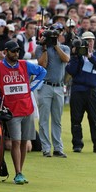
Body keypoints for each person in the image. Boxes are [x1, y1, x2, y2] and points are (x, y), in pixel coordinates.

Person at [0, 40, 46, 185]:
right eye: (13, 51)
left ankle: (20, 171)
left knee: (25, 142)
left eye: (18, 51)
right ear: (6, 51)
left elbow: (42, 72)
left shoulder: (24, 64)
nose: (16, 53)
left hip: (27, 108)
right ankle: (18, 173)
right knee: (16, 141)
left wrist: (31, 88)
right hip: (10, 110)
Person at [65, 31, 96, 154]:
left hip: (92, 91)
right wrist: (75, 56)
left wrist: (90, 56)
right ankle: (77, 144)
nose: (89, 43)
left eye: (91, 40)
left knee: (95, 119)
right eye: (87, 41)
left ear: (94, 42)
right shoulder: (77, 56)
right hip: (78, 89)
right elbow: (71, 70)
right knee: (76, 119)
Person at [35, 24, 70, 158]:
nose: (55, 38)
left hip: (59, 86)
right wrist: (45, 48)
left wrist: (56, 46)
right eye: (52, 37)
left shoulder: (64, 47)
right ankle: (46, 148)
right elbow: (42, 64)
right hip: (45, 86)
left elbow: (66, 59)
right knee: (44, 119)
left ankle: (58, 148)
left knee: (57, 120)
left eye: (57, 36)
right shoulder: (40, 48)